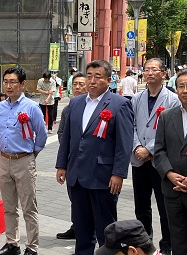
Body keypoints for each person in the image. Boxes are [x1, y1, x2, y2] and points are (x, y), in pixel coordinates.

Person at [56, 60, 134, 255]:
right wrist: (61, 165)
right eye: (89, 76)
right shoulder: (75, 103)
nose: (92, 81)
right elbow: (68, 137)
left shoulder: (120, 104)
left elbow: (124, 143)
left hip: (103, 177)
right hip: (77, 175)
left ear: (109, 80)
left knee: (106, 230)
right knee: (81, 228)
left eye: (97, 77)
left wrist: (118, 173)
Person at [0, 67, 47, 255]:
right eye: (6, 81)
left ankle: (32, 247)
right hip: (3, 160)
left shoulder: (31, 107)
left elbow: (41, 135)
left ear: (22, 84)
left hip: (23, 161)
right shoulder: (0, 106)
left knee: (28, 207)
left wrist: (31, 156)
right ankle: (12, 243)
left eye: (13, 82)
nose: (8, 86)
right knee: (9, 206)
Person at [131, 58, 177, 255]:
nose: (149, 73)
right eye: (146, 69)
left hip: (160, 161)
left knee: (164, 207)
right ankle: (144, 244)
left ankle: (167, 245)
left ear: (163, 74)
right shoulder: (136, 98)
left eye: (154, 70)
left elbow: (169, 130)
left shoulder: (172, 99)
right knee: (141, 207)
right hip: (138, 161)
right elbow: (131, 126)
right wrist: (137, 147)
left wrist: (149, 149)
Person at [154, 69, 187, 255]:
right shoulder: (167, 116)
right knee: (177, 238)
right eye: (181, 86)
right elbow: (159, 151)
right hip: (172, 190)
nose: (185, 90)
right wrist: (169, 174)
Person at [56, 72, 87, 240]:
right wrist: (69, 146)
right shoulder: (68, 108)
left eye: (81, 84)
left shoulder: (96, 106)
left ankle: (91, 230)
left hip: (90, 161)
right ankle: (77, 226)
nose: (77, 87)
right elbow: (61, 132)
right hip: (71, 159)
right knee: (74, 196)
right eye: (75, 84)